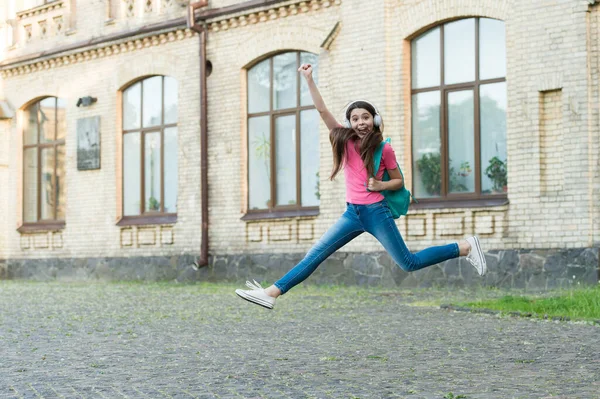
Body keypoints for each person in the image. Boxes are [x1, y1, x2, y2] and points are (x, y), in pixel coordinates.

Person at [235, 63, 487, 309]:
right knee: (315, 255)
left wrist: (380, 184)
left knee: (408, 263)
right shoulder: (344, 142)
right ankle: (271, 293)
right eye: (355, 118)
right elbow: (322, 111)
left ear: (374, 119)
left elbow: (398, 180)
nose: (361, 122)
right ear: (349, 123)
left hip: (377, 213)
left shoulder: (383, 148)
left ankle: (464, 247)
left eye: (365, 117)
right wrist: (309, 80)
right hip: (352, 213)